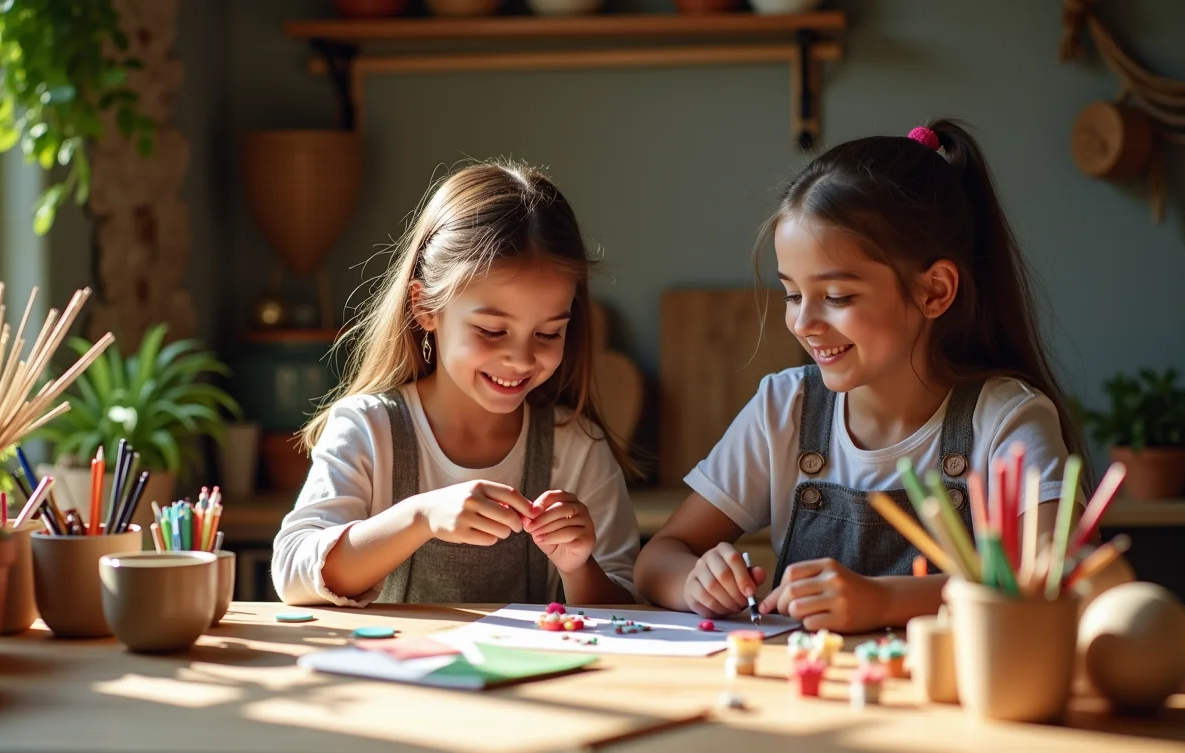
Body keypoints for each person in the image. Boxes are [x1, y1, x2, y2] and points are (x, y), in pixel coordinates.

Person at [634, 120, 1088, 632]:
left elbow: (1053, 581)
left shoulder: (1006, 419)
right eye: (791, 294)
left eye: (838, 297)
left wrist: (883, 602)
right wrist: (695, 578)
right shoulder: (785, 408)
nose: (804, 323)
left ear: (934, 291)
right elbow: (658, 559)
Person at [272, 161, 640, 607]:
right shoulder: (368, 429)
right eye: (491, 330)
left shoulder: (577, 448)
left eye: (547, 334)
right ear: (426, 307)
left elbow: (626, 609)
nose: (521, 358)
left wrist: (578, 566)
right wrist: (419, 517)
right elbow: (292, 573)